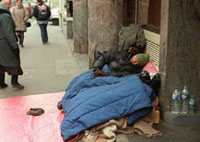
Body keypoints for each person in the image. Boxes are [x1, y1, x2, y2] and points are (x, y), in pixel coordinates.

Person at [0, 0, 24, 89]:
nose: (10, 5)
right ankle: (15, 82)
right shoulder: (5, 16)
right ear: (6, 5)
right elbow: (8, 32)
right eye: (9, 3)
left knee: (1, 64)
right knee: (14, 61)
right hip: (5, 44)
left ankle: (1, 83)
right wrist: (14, 45)